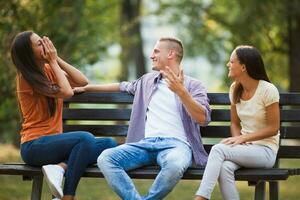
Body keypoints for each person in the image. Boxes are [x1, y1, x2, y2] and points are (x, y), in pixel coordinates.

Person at [74, 37, 211, 200]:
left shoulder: (194, 86)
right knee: (106, 158)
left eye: (156, 51)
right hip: (145, 145)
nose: (151, 55)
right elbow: (121, 86)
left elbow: (203, 118)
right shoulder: (147, 81)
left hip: (177, 146)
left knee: (175, 165)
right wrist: (87, 88)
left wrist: (181, 92)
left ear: (171, 54)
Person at [11, 31, 117, 200]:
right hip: (35, 146)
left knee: (109, 143)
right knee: (84, 139)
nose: (46, 45)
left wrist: (56, 59)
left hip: (54, 146)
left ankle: (60, 168)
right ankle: (68, 196)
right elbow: (67, 92)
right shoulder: (26, 78)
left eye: (44, 41)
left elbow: (82, 81)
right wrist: (52, 61)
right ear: (29, 54)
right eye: (40, 43)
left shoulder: (48, 69)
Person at [195, 45, 280, 200]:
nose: (228, 64)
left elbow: (273, 128)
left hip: (266, 151)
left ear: (243, 67)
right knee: (225, 168)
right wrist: (238, 141)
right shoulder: (235, 88)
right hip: (245, 150)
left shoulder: (268, 90)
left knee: (218, 149)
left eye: (231, 61)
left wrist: (243, 138)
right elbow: (234, 123)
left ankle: (202, 197)